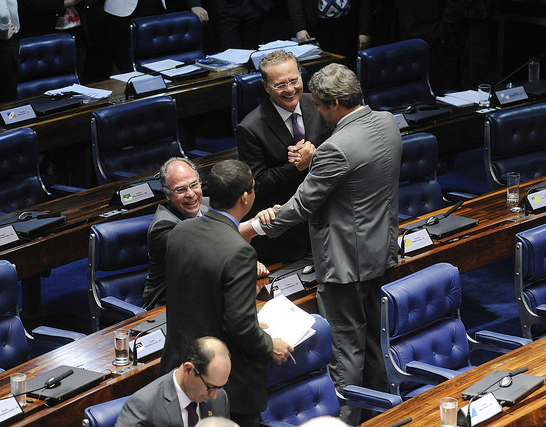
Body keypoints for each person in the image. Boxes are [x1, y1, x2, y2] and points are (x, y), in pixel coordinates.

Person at [241, 63, 402, 425]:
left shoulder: (336, 148)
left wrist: (251, 230)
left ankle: (345, 420)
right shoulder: (388, 122)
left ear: (337, 103)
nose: (318, 113)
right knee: (377, 343)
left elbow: (302, 204)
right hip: (383, 250)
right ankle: (382, 417)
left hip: (345, 264)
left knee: (345, 350)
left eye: (321, 106)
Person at [160, 159, 293, 427]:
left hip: (180, 369)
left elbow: (195, 299)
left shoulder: (180, 232)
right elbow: (239, 326)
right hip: (222, 383)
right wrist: (269, 346)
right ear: (245, 197)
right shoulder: (239, 251)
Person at [235, 50, 331, 264]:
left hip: (327, 222)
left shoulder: (318, 105)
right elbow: (257, 184)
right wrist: (298, 166)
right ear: (266, 86)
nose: (289, 89)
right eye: (280, 85)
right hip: (286, 237)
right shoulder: (250, 128)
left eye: (294, 81)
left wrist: (313, 153)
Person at [142, 157, 269, 310]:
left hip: (208, 295)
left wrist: (259, 219)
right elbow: (207, 253)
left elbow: (226, 231)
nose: (191, 194)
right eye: (181, 189)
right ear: (167, 194)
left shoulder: (208, 205)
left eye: (194, 185)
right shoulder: (163, 227)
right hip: (168, 308)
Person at [115, 336, 231, 427]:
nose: (215, 395)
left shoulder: (220, 399)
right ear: (188, 369)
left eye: (220, 387)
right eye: (210, 387)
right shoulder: (143, 406)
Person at [286, 0, 374, 68]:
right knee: (323, 66)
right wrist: (300, 28)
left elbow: (365, 4)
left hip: (348, 22)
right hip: (317, 24)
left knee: (347, 65)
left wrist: (364, 31)